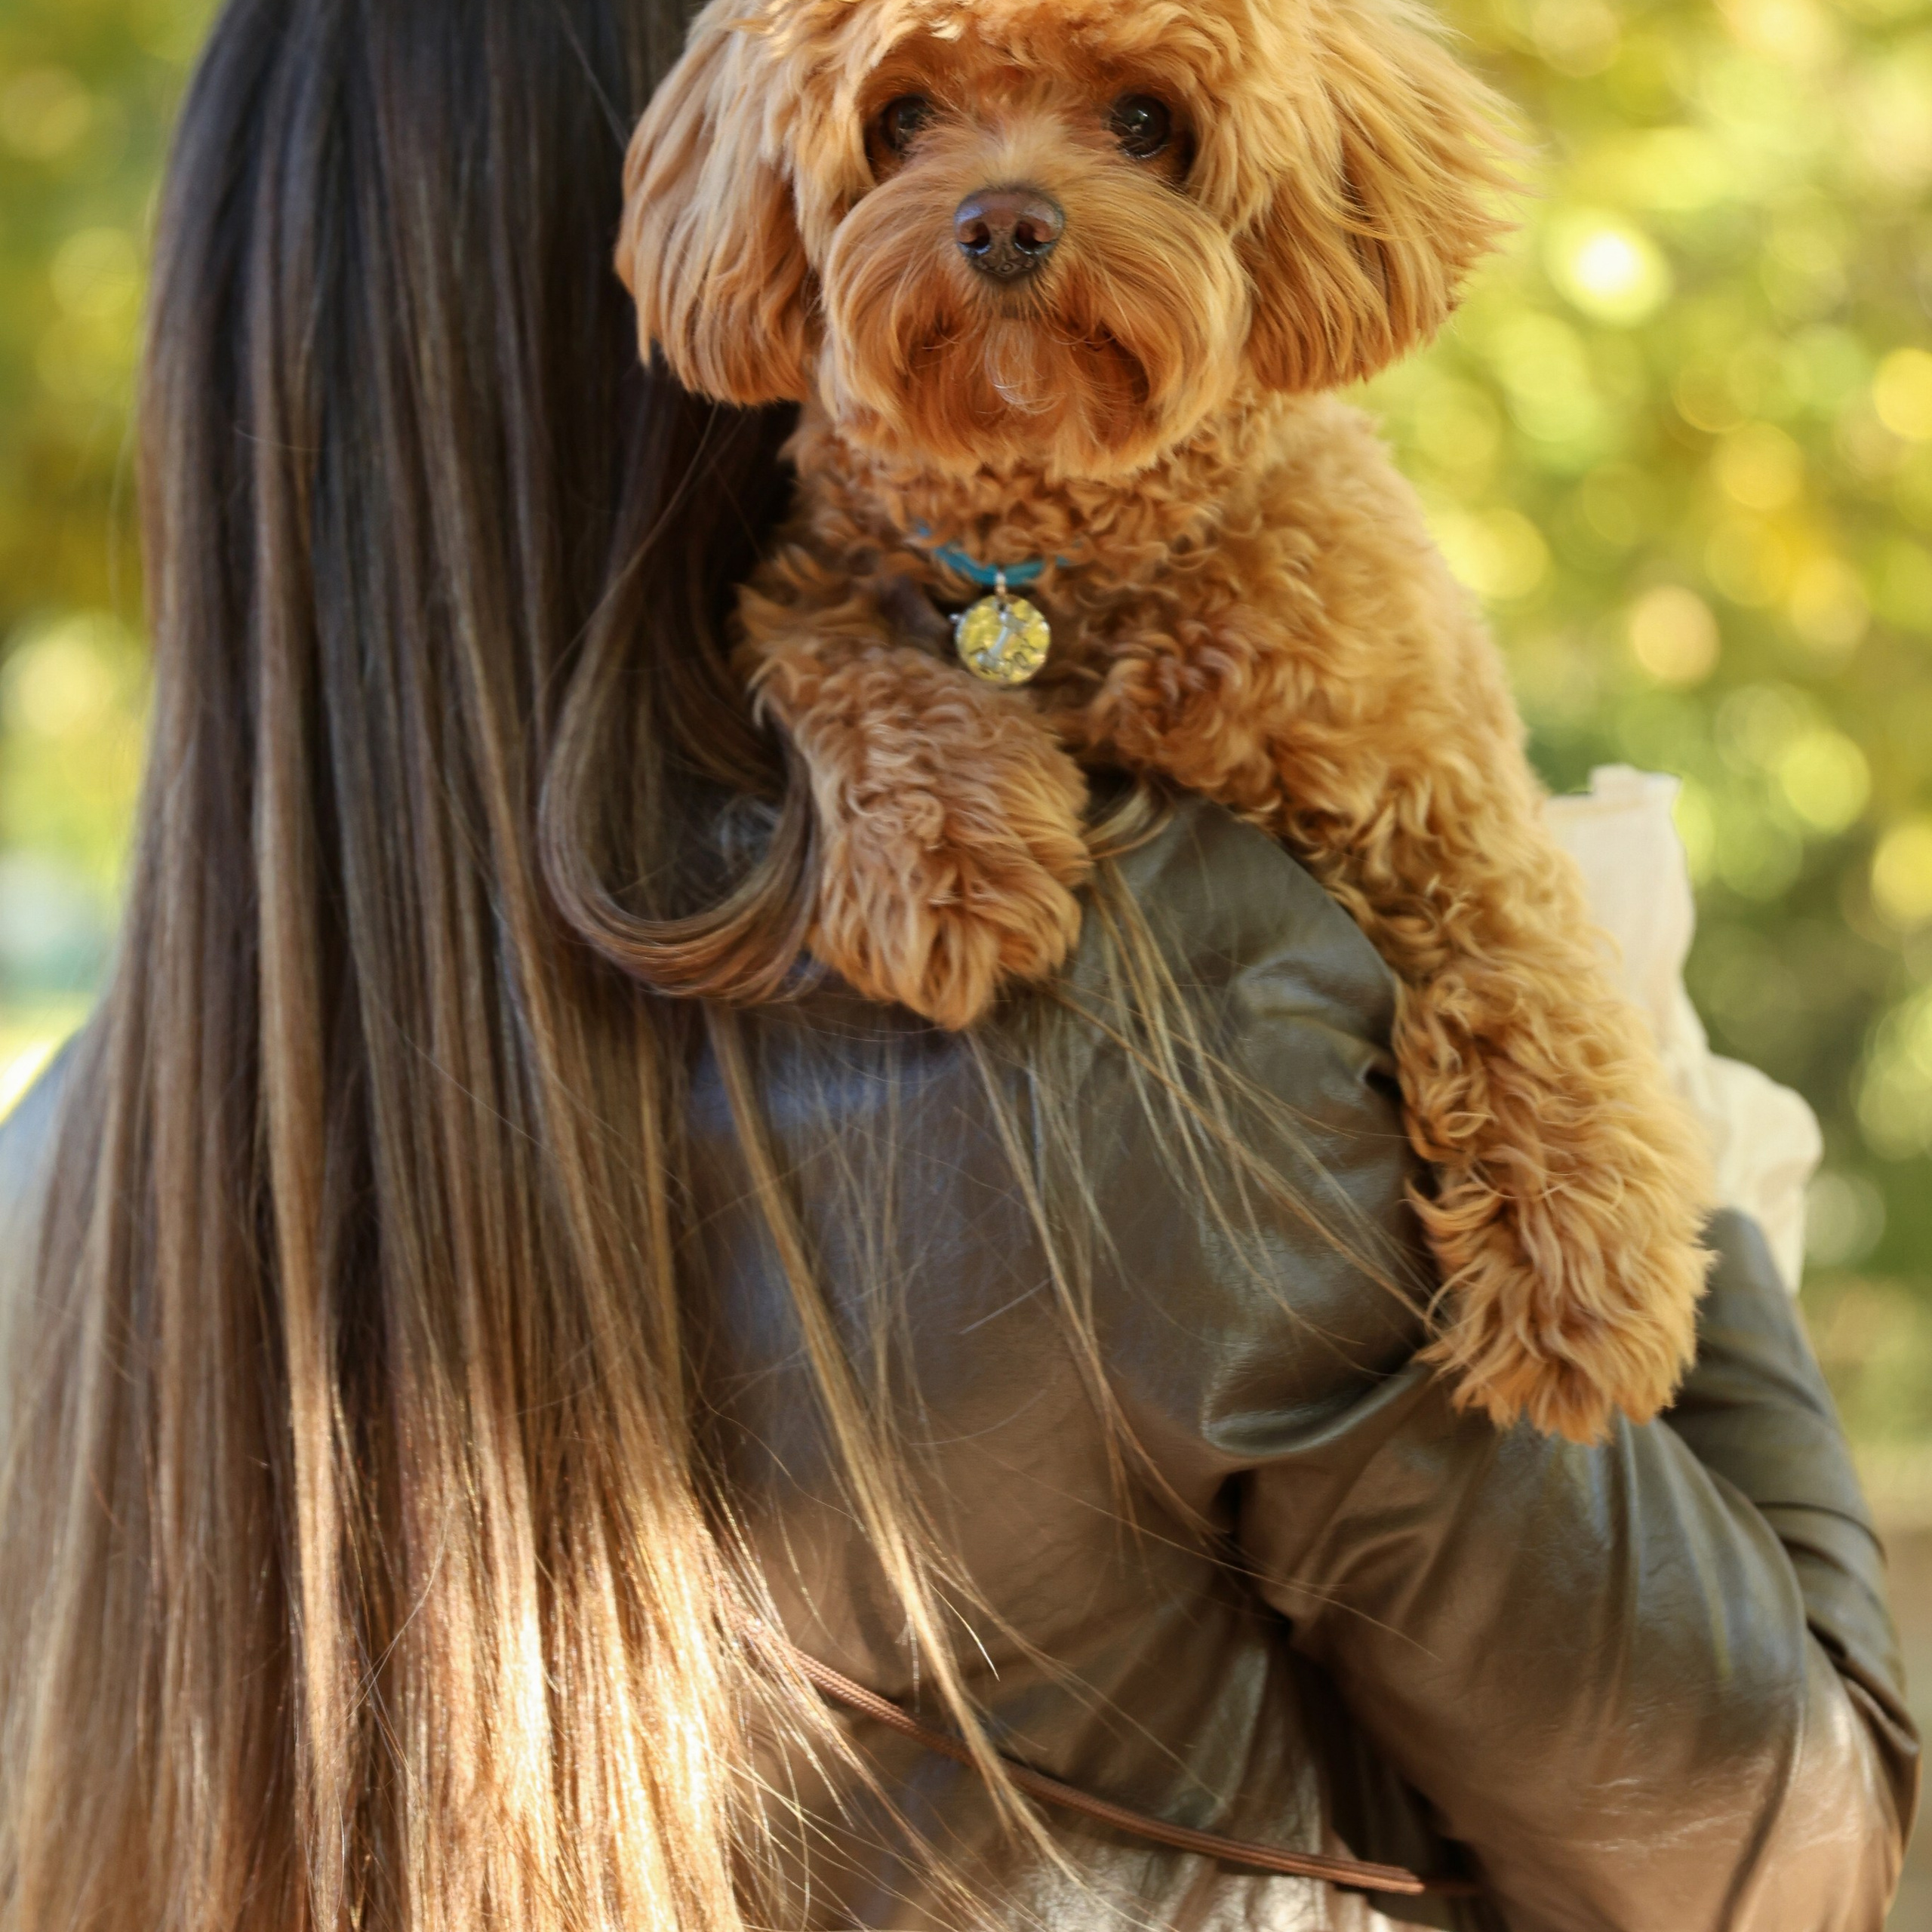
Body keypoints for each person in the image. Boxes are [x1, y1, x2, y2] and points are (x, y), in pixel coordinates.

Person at [0, 2, 1914, 1927]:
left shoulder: (65, 1182)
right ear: (701, 243)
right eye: (898, 125)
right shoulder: (1185, 1015)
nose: (999, 199)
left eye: (1140, 124)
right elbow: (1776, 1858)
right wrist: (1675, 1124)